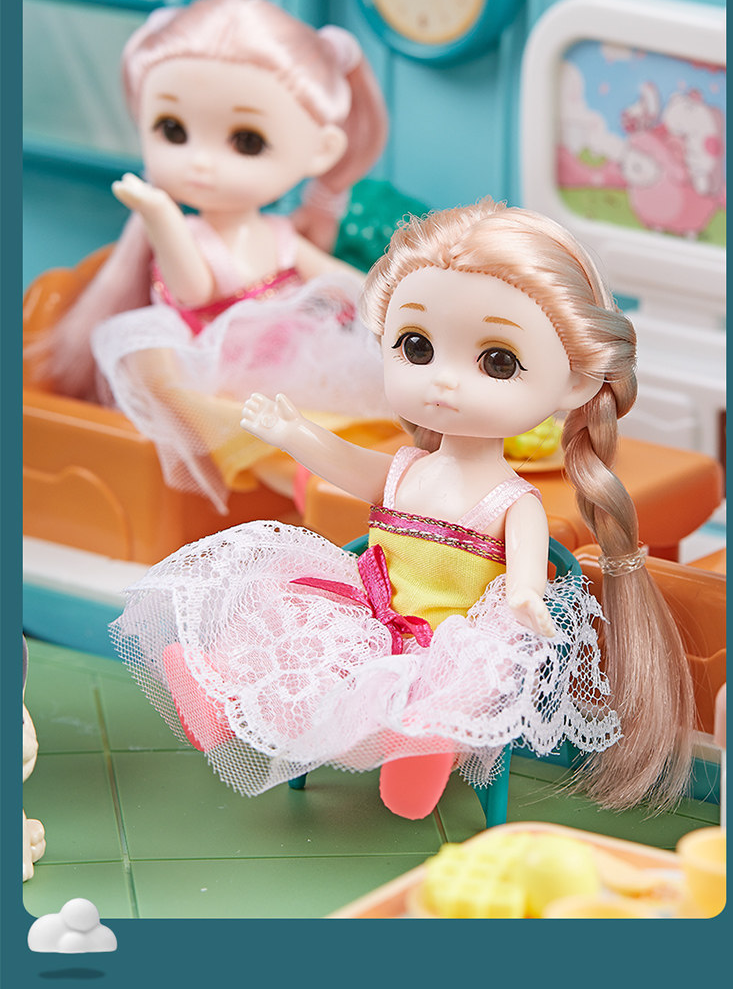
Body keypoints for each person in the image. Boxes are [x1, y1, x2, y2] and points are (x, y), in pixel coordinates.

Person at [111, 201, 694, 817]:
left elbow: (525, 581)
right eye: (417, 347)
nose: (444, 381)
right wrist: (294, 434)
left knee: (454, 677)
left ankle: (424, 745)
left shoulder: (512, 500)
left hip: (449, 633)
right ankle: (216, 689)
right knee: (289, 617)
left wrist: (526, 598)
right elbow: (345, 464)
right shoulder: (406, 470)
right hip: (368, 609)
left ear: (575, 382)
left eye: (497, 361)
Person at [35, 0, 391, 508]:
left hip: (287, 358)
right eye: (172, 130)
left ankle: (343, 482)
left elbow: (341, 279)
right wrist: (160, 217)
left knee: (345, 415)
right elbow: (194, 289)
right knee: (259, 433)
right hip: (209, 372)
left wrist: (392, 301)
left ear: (322, 150)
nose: (200, 162)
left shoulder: (280, 235)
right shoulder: (186, 233)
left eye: (246, 140)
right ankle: (312, 492)